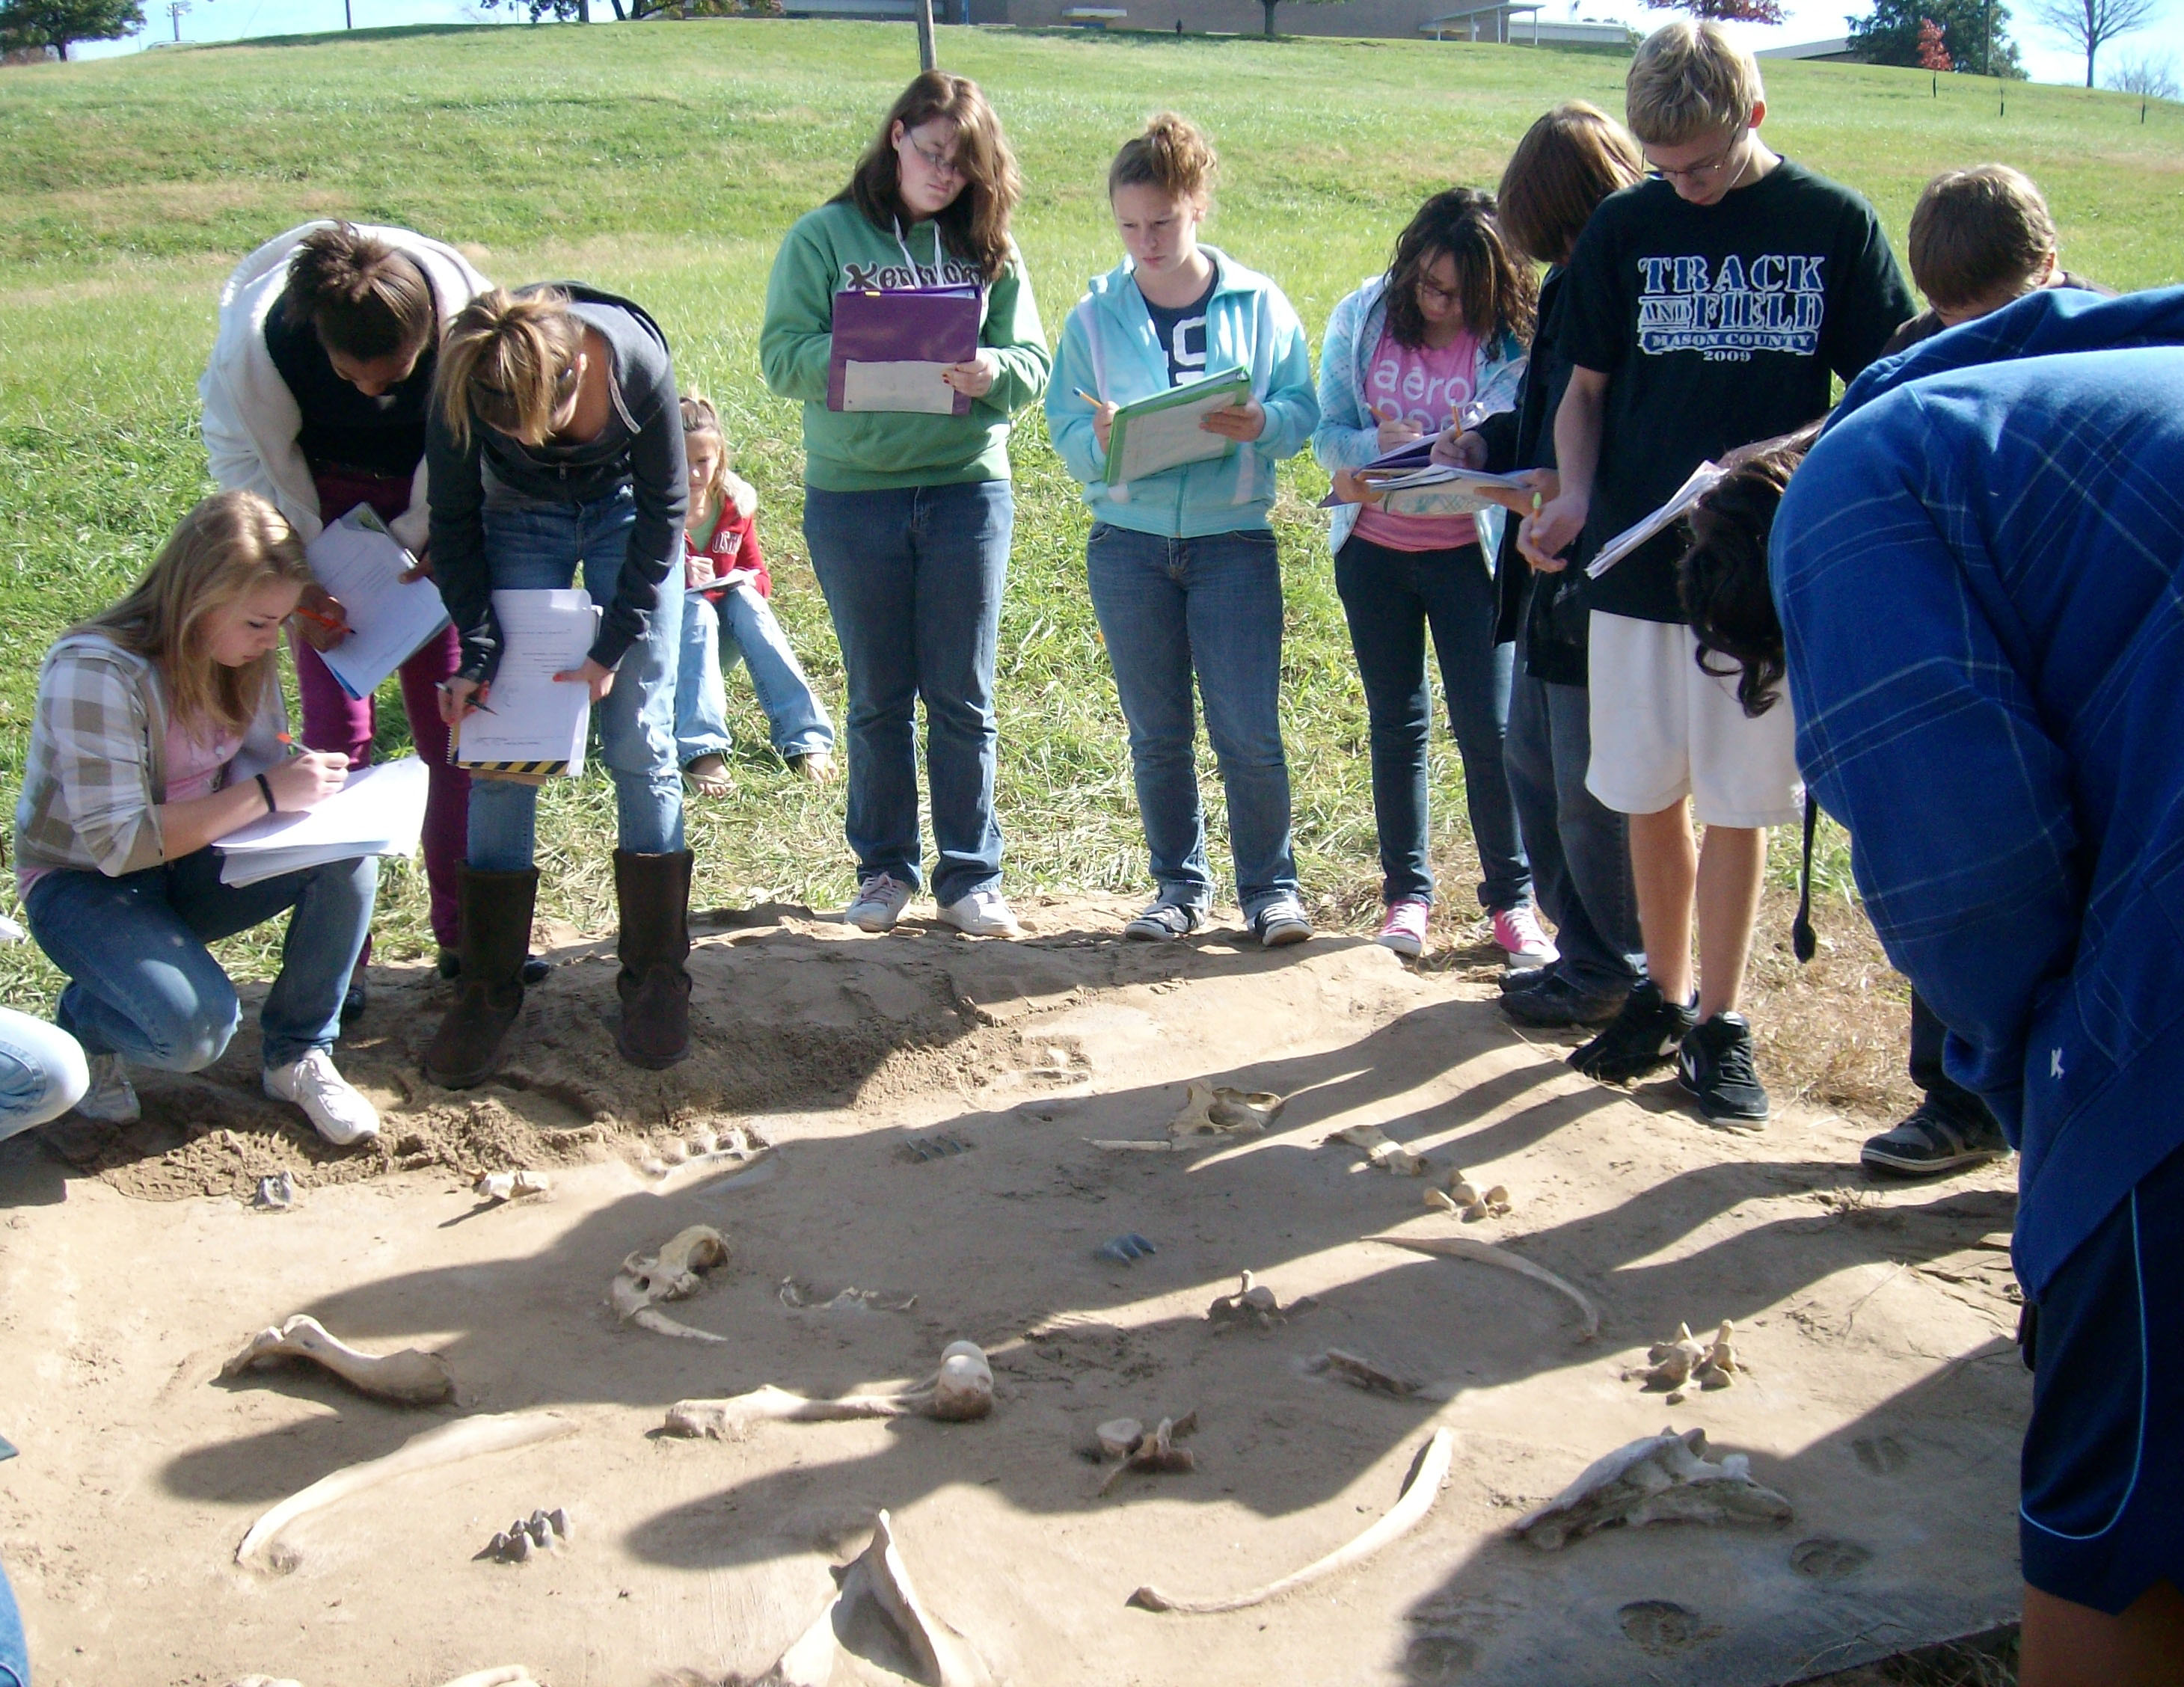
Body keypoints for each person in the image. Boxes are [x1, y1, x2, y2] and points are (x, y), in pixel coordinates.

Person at [1771, 284, 2184, 1687]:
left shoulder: (1848, 494)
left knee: (2107, 1506)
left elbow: (1979, 885)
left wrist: (2062, 1172)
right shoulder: (2080, 368)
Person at [1517, 20, 1913, 1126]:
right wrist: (1577, 493)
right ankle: (1661, 990)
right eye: (1663, 165)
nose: (1682, 185)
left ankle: (1723, 1023)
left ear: (1755, 117)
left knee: (1737, 801)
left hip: (1753, 578)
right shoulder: (1626, 227)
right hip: (1639, 563)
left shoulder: (1832, 223)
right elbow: (1584, 389)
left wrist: (1783, 453)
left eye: (1701, 162)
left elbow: (1880, 388)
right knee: (1649, 792)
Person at [759, 70, 1051, 938]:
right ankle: (884, 871)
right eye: (931, 155)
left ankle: (970, 876)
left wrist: (996, 371)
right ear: (895, 137)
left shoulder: (988, 246)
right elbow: (780, 356)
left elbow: (1033, 359)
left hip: (966, 490)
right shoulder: (822, 237)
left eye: (962, 167)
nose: (943, 176)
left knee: (963, 692)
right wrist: (858, 347)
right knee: (879, 695)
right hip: (854, 497)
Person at [13, 491, 381, 1146]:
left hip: (190, 858)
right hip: (86, 882)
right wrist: (270, 792)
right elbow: (119, 844)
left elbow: (252, 765)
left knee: (349, 853)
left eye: (280, 621)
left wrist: (304, 781)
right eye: (259, 623)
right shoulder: (93, 670)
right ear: (199, 599)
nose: (275, 641)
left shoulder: (237, 655)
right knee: (195, 1034)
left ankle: (298, 1053)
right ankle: (86, 1022)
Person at [199, 221, 491, 1006]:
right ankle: (341, 958)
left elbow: (491, 436)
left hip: (434, 517)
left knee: (454, 728)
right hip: (321, 525)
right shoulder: (261, 350)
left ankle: (468, 937)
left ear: (429, 338)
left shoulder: (471, 329)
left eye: (392, 375)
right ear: (316, 342)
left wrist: (453, 528)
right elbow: (237, 457)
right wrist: (292, 573)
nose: (372, 393)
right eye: (350, 377)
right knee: (336, 741)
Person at [1046, 114, 1321, 948]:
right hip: (1127, 546)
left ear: (1196, 206)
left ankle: (1270, 890)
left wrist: (1263, 423)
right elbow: (1061, 425)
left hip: (1230, 542)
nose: (1145, 242)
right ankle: (1177, 888)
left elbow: (1302, 409)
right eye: (1129, 226)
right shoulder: (1094, 317)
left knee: (1247, 730)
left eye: (1161, 222)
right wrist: (1094, 444)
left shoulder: (1260, 303)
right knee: (1157, 734)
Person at [425, 283, 692, 1087]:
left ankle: (656, 975)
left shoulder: (632, 365)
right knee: (506, 737)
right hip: (521, 520)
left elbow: (666, 507)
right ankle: (487, 985)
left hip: (624, 518)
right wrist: (475, 649)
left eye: (536, 425)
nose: (522, 437)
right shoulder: (465, 374)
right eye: (505, 430)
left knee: (639, 735)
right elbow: (452, 516)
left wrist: (613, 647)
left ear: (574, 371)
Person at [1437, 103, 1648, 1025]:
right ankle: (1579, 948)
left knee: (1587, 784)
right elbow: (1548, 406)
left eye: (1558, 233)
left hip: (1596, 565)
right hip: (1541, 568)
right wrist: (1488, 445)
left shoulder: (1629, 281)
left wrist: (1568, 498)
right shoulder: (1573, 284)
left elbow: (1617, 427)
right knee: (1533, 762)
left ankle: (1611, 964)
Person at [1312, 188, 1553, 966]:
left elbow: (1515, 435)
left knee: (1492, 730)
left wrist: (1474, 452)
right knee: (1397, 724)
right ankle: (1405, 897)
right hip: (1373, 553)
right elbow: (1325, 435)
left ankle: (1513, 904)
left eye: (1459, 294)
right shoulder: (1361, 318)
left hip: (1468, 559)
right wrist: (1365, 446)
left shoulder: (1510, 340)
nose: (1441, 303)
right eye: (1428, 284)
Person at [672, 393, 836, 796]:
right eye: (681, 461)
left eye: (702, 462)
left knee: (746, 600)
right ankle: (701, 749)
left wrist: (743, 581)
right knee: (695, 607)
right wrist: (677, 575)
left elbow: (761, 576)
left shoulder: (734, 506)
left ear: (719, 458)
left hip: (719, 639)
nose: (693, 474)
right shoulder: (650, 510)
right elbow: (628, 584)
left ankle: (806, 737)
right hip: (670, 644)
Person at [1882, 164, 2101, 357]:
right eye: (1944, 311)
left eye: (1987, 319)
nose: (1969, 334)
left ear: (2045, 267)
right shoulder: (1913, 347)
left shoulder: (2109, 334)